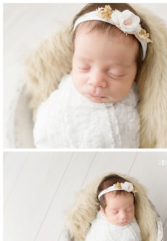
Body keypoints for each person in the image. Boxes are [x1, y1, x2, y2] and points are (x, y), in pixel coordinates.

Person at [33, 3, 151, 148]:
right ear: (73, 59)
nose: (96, 81)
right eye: (83, 67)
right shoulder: (65, 91)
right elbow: (46, 116)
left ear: (136, 72)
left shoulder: (141, 101)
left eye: (116, 73)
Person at [85, 174, 142, 241]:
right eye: (115, 212)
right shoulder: (100, 223)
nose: (123, 216)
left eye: (129, 209)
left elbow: (136, 240)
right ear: (103, 211)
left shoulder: (133, 224)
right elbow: (94, 238)